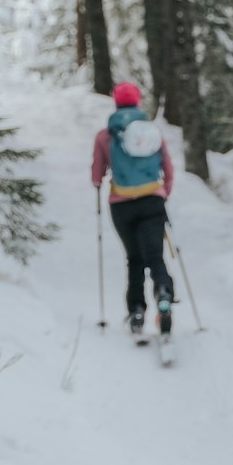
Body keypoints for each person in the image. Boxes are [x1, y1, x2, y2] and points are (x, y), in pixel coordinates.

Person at [90, 83, 176, 339]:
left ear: (116, 103)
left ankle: (137, 311)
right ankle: (163, 292)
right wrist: (163, 192)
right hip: (152, 201)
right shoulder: (152, 131)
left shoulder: (105, 136)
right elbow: (168, 167)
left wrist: (100, 181)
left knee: (135, 259)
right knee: (155, 256)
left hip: (122, 205)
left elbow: (97, 175)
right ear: (138, 102)